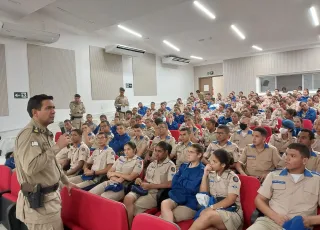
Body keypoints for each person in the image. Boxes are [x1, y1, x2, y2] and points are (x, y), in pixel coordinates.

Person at [15, 94, 75, 229]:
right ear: (35, 112)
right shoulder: (30, 135)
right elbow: (31, 167)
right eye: (48, 108)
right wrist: (57, 147)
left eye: (54, 108)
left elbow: (50, 162)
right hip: (40, 205)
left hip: (48, 201)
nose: (53, 111)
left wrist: (66, 181)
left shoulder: (43, 132)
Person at [247, 143, 320, 230]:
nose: (287, 158)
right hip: (270, 222)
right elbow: (259, 200)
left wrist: (310, 220)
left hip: (300, 226)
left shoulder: (317, 180)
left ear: (304, 160)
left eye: (292, 156)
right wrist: (275, 217)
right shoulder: (273, 176)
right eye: (286, 154)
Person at [123, 141, 176, 226]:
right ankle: (128, 225)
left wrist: (151, 186)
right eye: (155, 150)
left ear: (166, 152)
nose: (156, 153)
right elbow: (146, 179)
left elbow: (170, 184)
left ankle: (130, 226)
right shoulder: (152, 163)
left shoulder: (170, 166)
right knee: (127, 198)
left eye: (160, 151)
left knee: (135, 207)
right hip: (143, 188)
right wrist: (139, 180)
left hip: (154, 192)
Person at [189, 149, 243, 230]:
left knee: (208, 215)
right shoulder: (212, 174)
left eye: (214, 162)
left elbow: (230, 200)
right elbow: (203, 193)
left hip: (231, 212)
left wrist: (211, 208)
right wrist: (205, 174)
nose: (211, 163)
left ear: (223, 165)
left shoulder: (232, 177)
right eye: (211, 160)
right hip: (216, 211)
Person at [161, 144, 205, 223]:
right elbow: (174, 183)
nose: (188, 154)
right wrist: (185, 183)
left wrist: (181, 180)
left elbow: (192, 188)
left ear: (199, 155)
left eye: (191, 152)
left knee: (163, 218)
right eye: (188, 151)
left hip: (190, 202)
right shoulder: (183, 166)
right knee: (164, 203)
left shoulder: (202, 171)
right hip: (177, 196)